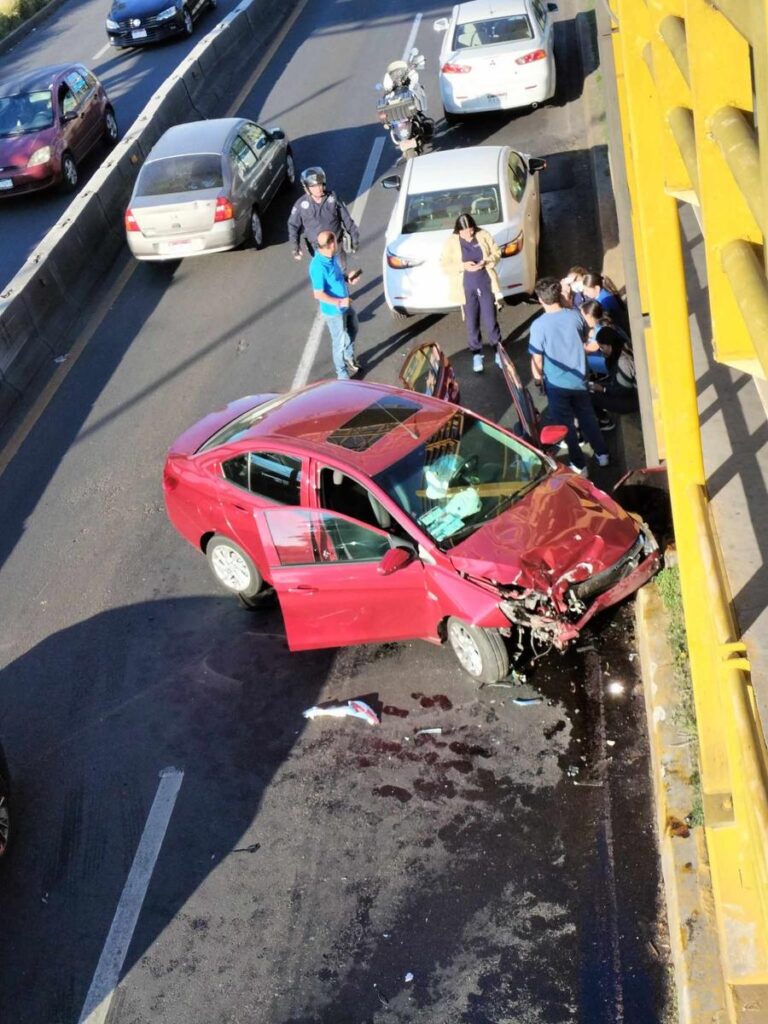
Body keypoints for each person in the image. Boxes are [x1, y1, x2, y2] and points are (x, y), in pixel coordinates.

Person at [528, 277, 610, 473]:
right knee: (587, 417)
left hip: (557, 385)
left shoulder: (538, 326)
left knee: (566, 426)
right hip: (580, 379)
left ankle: (579, 465)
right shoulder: (575, 316)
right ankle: (603, 454)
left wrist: (538, 380)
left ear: (540, 299)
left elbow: (537, 359)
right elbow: (583, 336)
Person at [440, 213, 503, 373]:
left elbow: (497, 253)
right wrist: (463, 266)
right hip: (466, 287)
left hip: (485, 282)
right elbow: (444, 265)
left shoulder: (483, 235)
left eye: (471, 230)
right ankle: (476, 354)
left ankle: (498, 351)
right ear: (458, 231)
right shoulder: (451, 242)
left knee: (490, 319)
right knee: (471, 322)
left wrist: (486, 261)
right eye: (465, 232)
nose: (469, 234)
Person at [309, 231, 360, 380]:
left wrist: (347, 278)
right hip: (334, 310)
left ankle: (349, 356)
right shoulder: (317, 266)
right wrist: (339, 302)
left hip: (345, 303)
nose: (338, 244)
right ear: (330, 245)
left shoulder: (332, 257)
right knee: (338, 342)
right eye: (336, 242)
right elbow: (318, 294)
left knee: (354, 327)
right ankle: (342, 374)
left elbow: (337, 276)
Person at [288, 167, 360, 264]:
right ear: (307, 188)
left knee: (341, 274)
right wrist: (295, 247)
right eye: (314, 186)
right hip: (317, 250)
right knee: (322, 276)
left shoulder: (333, 198)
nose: (318, 188)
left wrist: (354, 237)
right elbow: (293, 225)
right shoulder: (301, 205)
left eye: (320, 185)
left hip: (336, 245)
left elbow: (346, 219)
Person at [587, 329, 638, 431]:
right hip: (631, 393)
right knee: (592, 386)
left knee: (589, 396)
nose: (601, 351)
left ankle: (605, 422)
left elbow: (623, 390)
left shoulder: (623, 361)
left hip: (633, 400)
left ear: (610, 345)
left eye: (602, 347)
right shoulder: (624, 346)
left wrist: (603, 389)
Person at [579, 298, 629, 377]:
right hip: (621, 357)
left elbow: (590, 348)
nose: (582, 320)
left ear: (589, 316)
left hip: (615, 364)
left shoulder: (601, 328)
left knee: (584, 360)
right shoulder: (603, 322)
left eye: (583, 316)